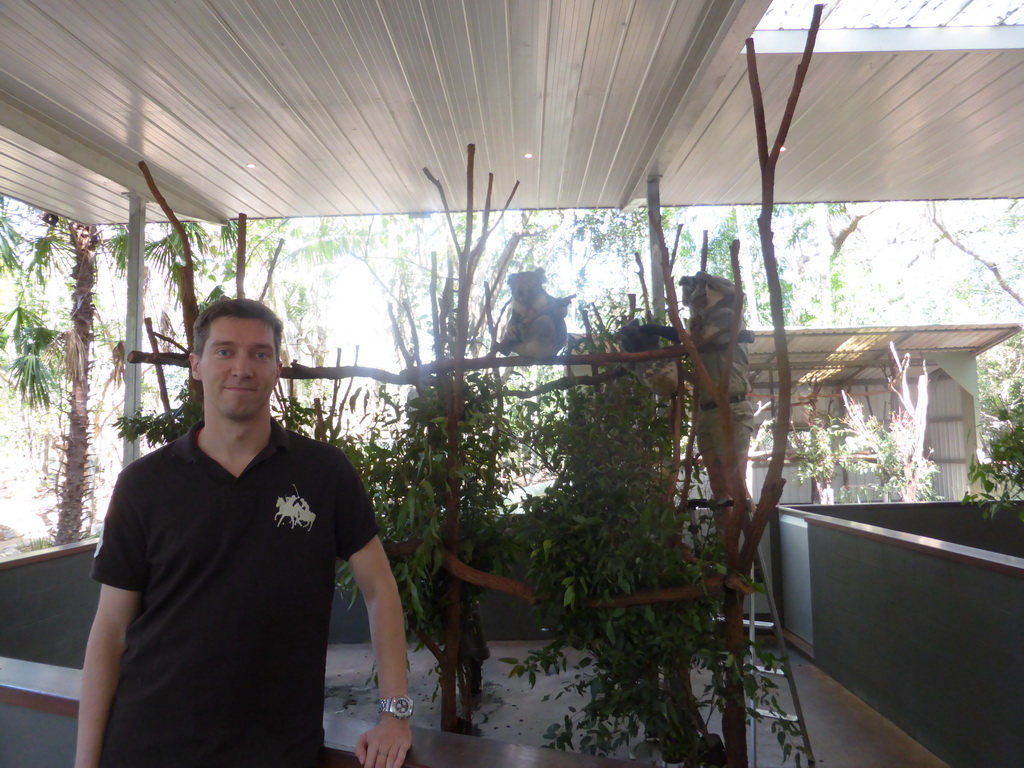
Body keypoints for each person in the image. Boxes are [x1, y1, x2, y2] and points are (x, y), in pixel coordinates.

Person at [75, 298, 412, 768]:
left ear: (277, 368)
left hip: (277, 747)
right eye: (224, 351)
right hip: (150, 742)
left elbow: (380, 590)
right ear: (195, 364)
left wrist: (394, 712)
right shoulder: (145, 483)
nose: (242, 368)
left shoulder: (324, 473)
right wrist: (85, 762)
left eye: (259, 353)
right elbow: (110, 631)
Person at [680, 272, 754, 503]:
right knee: (718, 484)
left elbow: (701, 340)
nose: (695, 299)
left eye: (702, 293)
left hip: (730, 406)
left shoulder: (725, 315)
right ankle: (725, 536)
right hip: (707, 409)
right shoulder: (700, 321)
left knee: (735, 483)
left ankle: (749, 531)